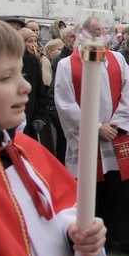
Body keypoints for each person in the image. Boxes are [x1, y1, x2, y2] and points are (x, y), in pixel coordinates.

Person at [0, 14, 113, 256]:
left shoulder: (25, 150)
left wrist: (76, 234)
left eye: (21, 73)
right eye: (4, 78)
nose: (25, 86)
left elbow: (53, 219)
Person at [55, 17, 129, 256]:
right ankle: (99, 241)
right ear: (82, 34)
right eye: (93, 31)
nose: (99, 35)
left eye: (102, 31)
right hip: (87, 140)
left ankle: (126, 238)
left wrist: (116, 124)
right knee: (93, 190)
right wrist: (95, 128)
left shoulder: (117, 59)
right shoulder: (67, 65)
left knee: (122, 189)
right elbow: (65, 104)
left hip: (116, 136)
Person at [48, 26, 77, 164]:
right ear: (64, 40)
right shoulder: (60, 61)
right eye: (72, 37)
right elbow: (55, 94)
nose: (75, 40)